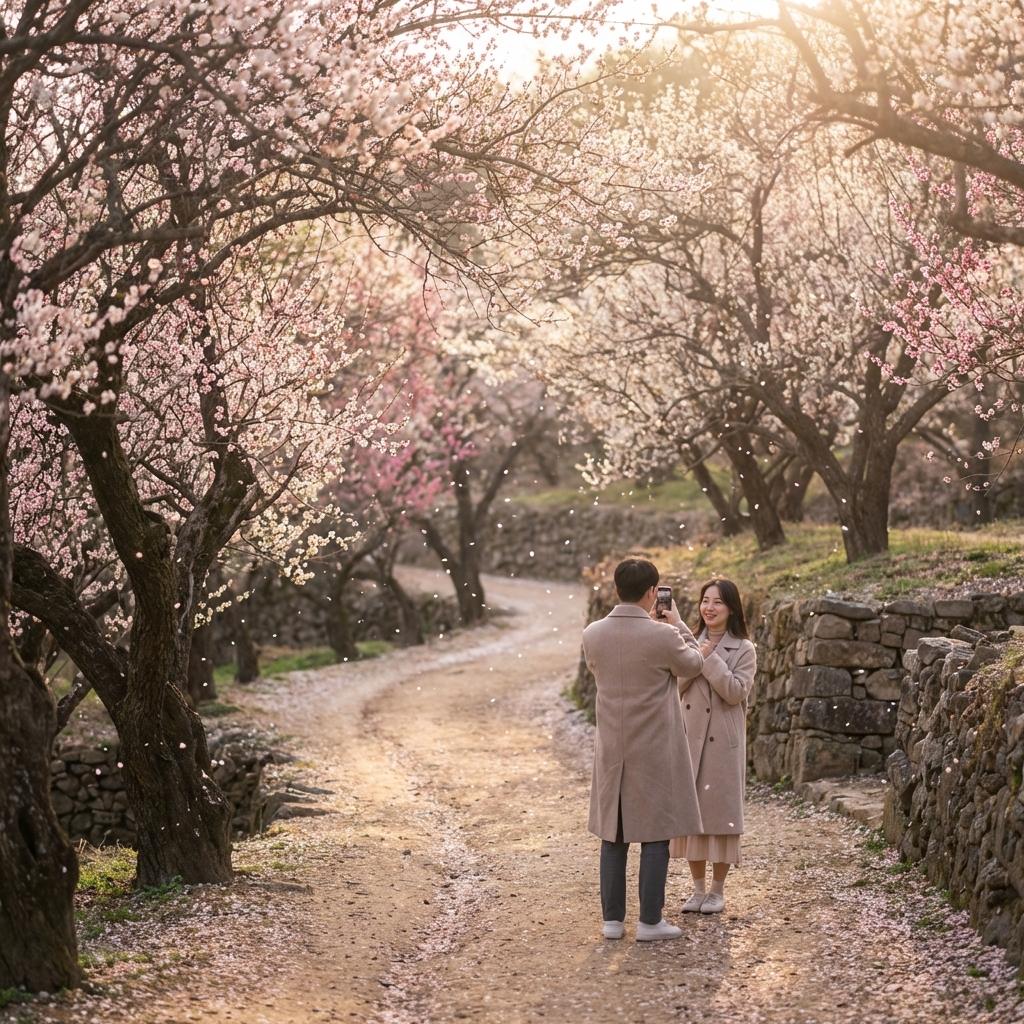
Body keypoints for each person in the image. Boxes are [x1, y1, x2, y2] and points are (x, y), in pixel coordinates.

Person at [583, 558, 704, 941]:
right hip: (653, 745)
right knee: (655, 833)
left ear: (616, 588)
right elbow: (694, 664)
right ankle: (650, 921)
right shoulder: (662, 636)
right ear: (653, 592)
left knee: (614, 833)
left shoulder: (593, 633)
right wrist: (677, 624)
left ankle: (612, 921)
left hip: (612, 745)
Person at [670, 577, 757, 915]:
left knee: (720, 815)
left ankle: (717, 890)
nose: (709, 607)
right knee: (694, 816)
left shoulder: (744, 649)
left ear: (731, 608)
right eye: (705, 600)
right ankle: (696, 889)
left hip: (723, 740)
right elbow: (674, 686)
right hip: (689, 736)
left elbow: (736, 692)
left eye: (717, 602)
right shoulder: (687, 644)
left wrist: (708, 659)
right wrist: (697, 656)